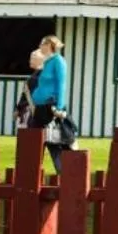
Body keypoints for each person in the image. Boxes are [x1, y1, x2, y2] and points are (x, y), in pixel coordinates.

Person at [30, 35, 70, 171]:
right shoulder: (46, 62)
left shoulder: (58, 61)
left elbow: (61, 84)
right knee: (34, 141)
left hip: (50, 107)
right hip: (39, 108)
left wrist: (59, 107)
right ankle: (33, 171)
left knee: (55, 141)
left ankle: (63, 172)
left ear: (49, 45)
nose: (40, 47)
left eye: (42, 44)